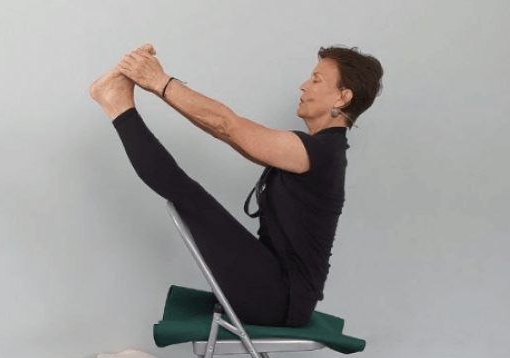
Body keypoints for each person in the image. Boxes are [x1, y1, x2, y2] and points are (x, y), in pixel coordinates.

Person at [90, 44, 383, 327]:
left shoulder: (321, 153)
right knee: (189, 194)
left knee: (187, 194)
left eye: (317, 79)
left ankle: (118, 104)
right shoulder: (318, 150)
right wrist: (157, 87)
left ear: (342, 97)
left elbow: (227, 125)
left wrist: (159, 82)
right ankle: (117, 102)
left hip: (281, 301)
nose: (304, 86)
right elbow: (226, 132)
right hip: (278, 291)